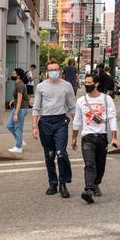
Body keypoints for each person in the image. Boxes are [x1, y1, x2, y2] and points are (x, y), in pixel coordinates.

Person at [72, 74, 120, 204]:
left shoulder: (106, 99)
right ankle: (88, 190)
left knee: (101, 165)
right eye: (85, 82)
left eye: (89, 82)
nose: (87, 84)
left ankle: (95, 184)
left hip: (102, 137)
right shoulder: (81, 101)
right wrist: (74, 137)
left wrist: (114, 138)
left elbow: (112, 118)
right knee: (89, 164)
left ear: (96, 83)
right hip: (87, 137)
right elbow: (77, 121)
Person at [32, 59, 77, 198]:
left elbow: (72, 106)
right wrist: (34, 127)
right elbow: (36, 108)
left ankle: (63, 183)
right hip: (45, 122)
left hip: (61, 121)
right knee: (50, 154)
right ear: (47, 71)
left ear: (60, 71)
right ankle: (53, 183)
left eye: (56, 69)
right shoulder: (40, 86)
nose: (54, 72)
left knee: (61, 152)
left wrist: (76, 125)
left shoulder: (67, 85)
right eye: (51, 70)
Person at [6, 68, 29, 154]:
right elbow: (18, 98)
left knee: (18, 128)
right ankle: (20, 140)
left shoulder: (20, 85)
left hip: (21, 109)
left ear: (18, 76)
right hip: (18, 107)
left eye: (14, 73)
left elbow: (20, 100)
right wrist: (13, 100)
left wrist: (16, 114)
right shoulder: (17, 83)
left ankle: (18, 147)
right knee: (9, 125)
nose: (12, 74)